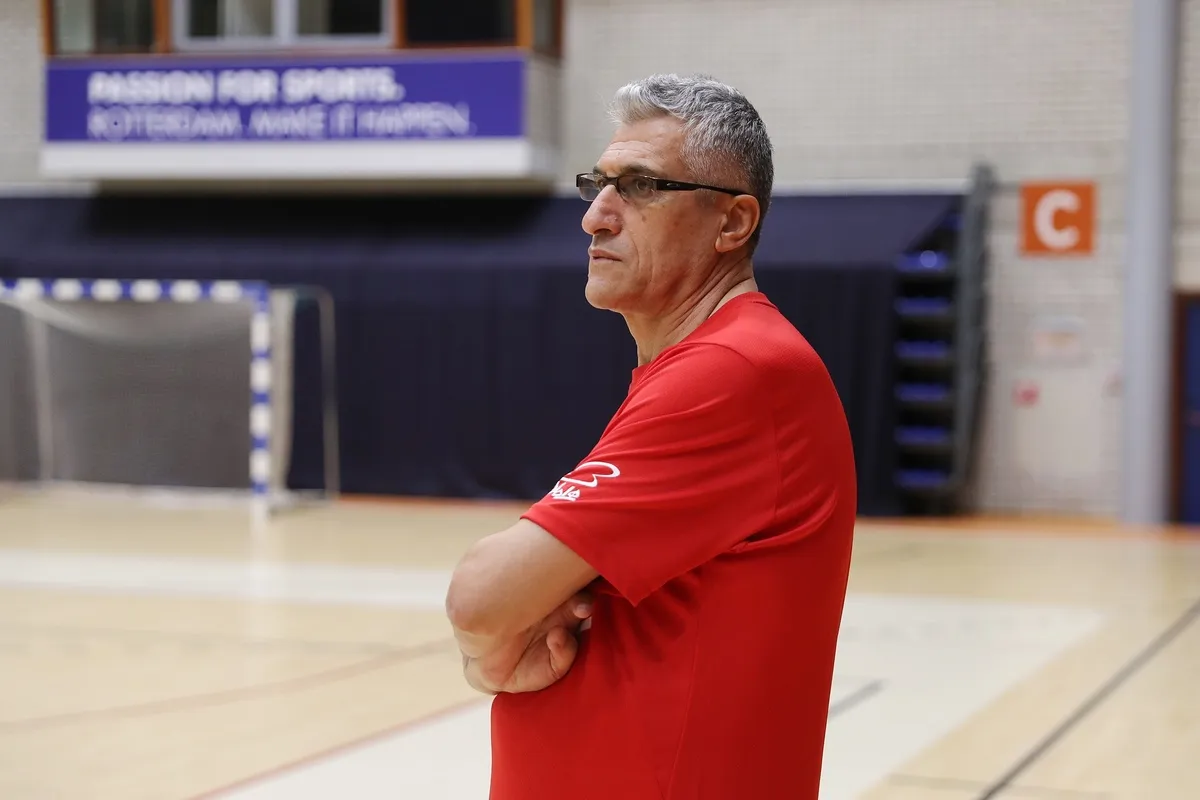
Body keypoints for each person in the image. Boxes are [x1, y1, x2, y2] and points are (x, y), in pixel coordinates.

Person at [445, 73, 857, 799]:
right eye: (596, 185)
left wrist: (489, 651)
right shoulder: (710, 364)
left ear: (732, 223)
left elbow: (481, 596)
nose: (595, 218)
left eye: (639, 187)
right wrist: (504, 638)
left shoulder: (733, 371)